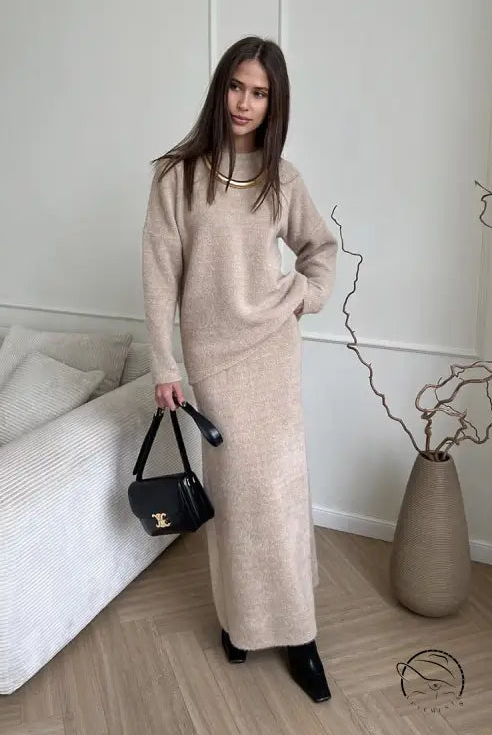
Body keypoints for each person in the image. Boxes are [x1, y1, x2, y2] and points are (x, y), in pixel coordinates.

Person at [141, 36, 338, 703]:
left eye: (259, 92)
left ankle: (301, 636)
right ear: (220, 88)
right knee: (238, 496)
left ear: (274, 102)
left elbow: (319, 248)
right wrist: (164, 361)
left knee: (280, 493)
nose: (244, 103)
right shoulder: (177, 176)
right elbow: (159, 276)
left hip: (272, 350)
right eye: (236, 86)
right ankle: (242, 620)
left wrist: (306, 296)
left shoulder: (283, 179)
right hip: (216, 362)